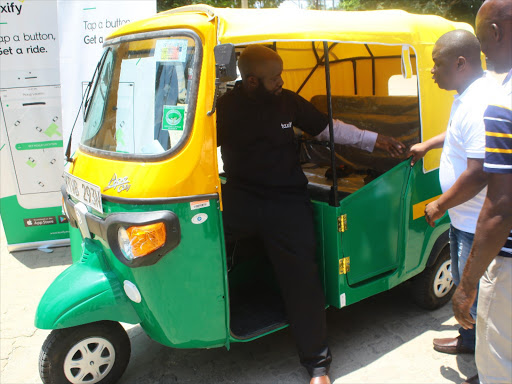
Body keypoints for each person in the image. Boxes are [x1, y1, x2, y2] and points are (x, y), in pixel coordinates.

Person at [216, 44, 405, 384]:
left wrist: (377, 140)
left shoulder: (288, 101)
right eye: (274, 78)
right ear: (252, 80)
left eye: (282, 74)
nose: (281, 81)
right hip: (239, 197)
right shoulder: (224, 107)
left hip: (286, 202)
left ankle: (318, 365)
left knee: (303, 279)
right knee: (207, 253)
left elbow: (329, 129)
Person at [408, 30, 499, 357]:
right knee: (464, 285)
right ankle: (468, 342)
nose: (431, 70)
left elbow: (479, 174)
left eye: (437, 63)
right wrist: (428, 144)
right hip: (463, 219)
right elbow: (458, 134)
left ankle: (487, 369)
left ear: (460, 63)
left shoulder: (478, 103)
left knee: (478, 298)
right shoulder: (465, 95)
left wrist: (439, 205)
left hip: (477, 222)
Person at [452, 1, 512, 383]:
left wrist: (467, 285)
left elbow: (501, 207)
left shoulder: (503, 100)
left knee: (498, 363)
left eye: (481, 38)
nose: (482, 49)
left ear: (496, 31)